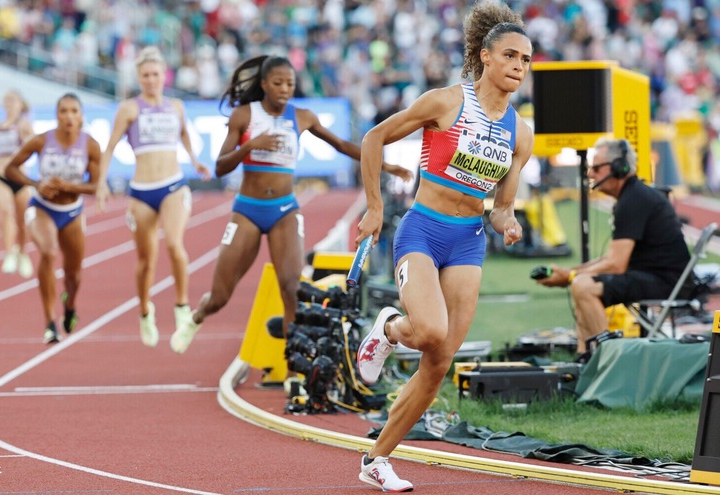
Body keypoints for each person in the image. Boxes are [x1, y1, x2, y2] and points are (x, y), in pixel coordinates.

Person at [352, 1, 533, 490]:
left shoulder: (521, 132)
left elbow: (501, 206)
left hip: (469, 241)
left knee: (439, 361)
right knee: (429, 331)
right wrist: (373, 208)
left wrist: (508, 222)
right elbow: (374, 139)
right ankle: (389, 328)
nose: (519, 67)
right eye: (511, 56)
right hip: (422, 230)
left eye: (526, 60)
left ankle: (376, 460)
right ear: (485, 57)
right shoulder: (445, 102)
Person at [168, 55, 411, 354]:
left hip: (284, 210)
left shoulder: (303, 116)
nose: (285, 89)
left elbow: (342, 146)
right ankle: (195, 318)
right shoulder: (244, 115)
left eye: (290, 84)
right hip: (247, 210)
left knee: (292, 289)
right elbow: (219, 168)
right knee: (220, 296)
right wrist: (249, 146)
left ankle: (293, 364)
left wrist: (386, 165)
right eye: (278, 83)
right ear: (263, 84)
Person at [96, 46, 210, 348]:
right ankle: (146, 311)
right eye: (145, 75)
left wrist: (195, 159)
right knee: (146, 261)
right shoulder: (129, 108)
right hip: (142, 192)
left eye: (155, 74)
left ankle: (182, 306)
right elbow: (108, 148)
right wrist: (101, 183)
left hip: (173, 185)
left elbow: (184, 133)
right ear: (138, 77)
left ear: (164, 75)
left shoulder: (176, 106)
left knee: (174, 244)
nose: (151, 80)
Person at [535, 137, 690, 359]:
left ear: (619, 167)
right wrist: (571, 273)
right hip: (655, 276)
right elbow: (610, 259)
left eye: (596, 168)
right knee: (581, 282)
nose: (590, 174)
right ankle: (585, 358)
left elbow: (615, 265)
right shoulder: (631, 196)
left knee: (583, 285)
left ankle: (608, 360)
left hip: (667, 282)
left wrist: (570, 276)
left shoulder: (633, 199)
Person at [4, 93, 100, 343]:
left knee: (73, 274)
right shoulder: (41, 141)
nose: (69, 116)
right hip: (42, 208)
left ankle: (69, 306)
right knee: (47, 252)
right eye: (64, 111)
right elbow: (10, 169)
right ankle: (49, 322)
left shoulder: (89, 145)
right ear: (57, 115)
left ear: (81, 116)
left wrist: (68, 186)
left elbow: (97, 186)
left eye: (74, 111)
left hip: (72, 213)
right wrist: (37, 184)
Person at [0, 89, 35, 279]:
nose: (10, 103)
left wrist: (26, 137)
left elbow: (36, 144)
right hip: (0, 177)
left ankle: (23, 253)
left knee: (22, 220)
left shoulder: (24, 125)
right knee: (5, 211)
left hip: (20, 178)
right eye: (7, 100)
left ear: (20, 104)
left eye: (13, 100)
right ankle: (9, 252)